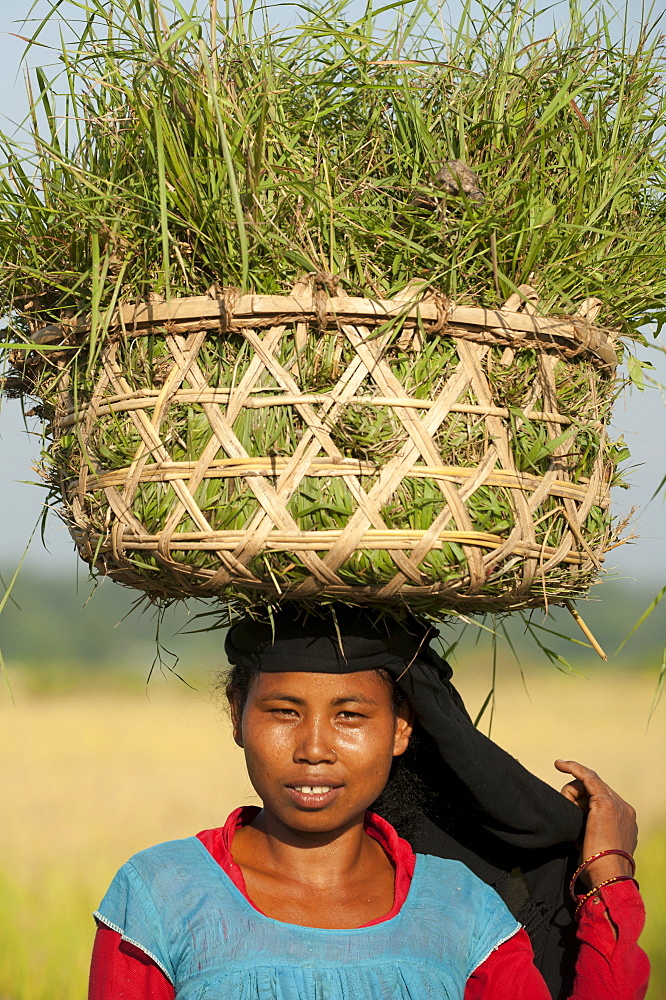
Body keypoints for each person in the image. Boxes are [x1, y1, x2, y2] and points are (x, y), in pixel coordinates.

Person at [89, 607, 650, 1000]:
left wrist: (609, 883)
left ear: (401, 728)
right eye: (283, 711)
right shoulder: (159, 894)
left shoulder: (460, 908)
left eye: (350, 716)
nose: (313, 749)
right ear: (237, 714)